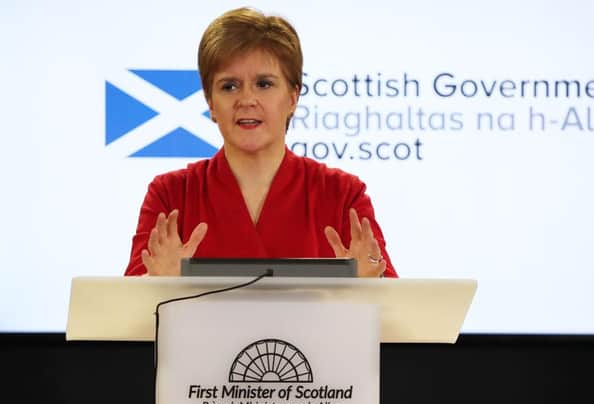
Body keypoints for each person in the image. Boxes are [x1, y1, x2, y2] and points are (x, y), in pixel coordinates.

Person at [124, 7, 397, 278]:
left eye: (264, 84)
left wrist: (369, 285)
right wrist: (157, 285)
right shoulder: (171, 195)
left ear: (293, 98)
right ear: (211, 104)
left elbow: (397, 307)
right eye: (229, 86)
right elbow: (123, 309)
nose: (246, 99)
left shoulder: (343, 195)